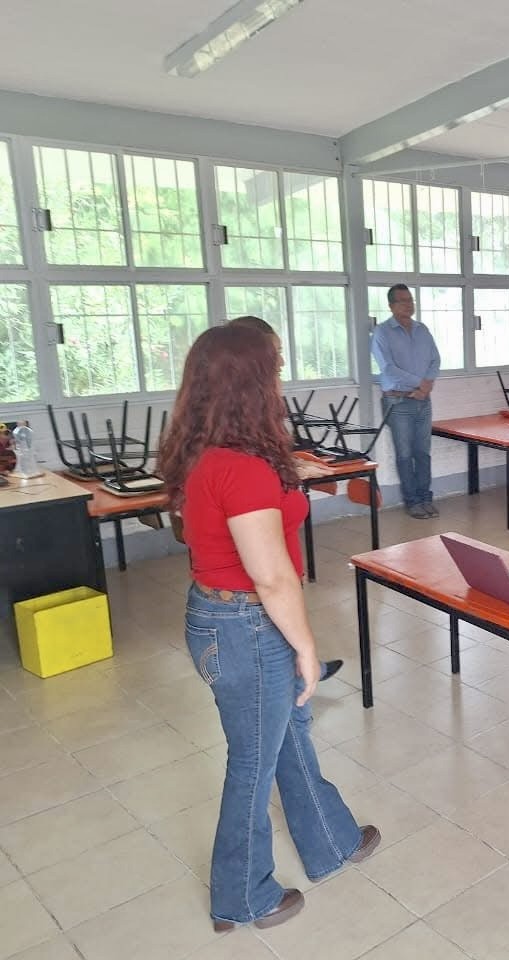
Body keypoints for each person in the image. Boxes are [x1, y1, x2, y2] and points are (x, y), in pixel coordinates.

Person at [158, 324, 380, 932]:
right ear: (252, 383)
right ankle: (241, 896)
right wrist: (306, 649)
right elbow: (272, 578)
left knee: (288, 734)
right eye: (275, 367)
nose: (281, 379)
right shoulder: (242, 467)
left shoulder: (206, 453)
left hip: (219, 618)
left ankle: (331, 839)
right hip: (247, 626)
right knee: (255, 759)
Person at [223, 316, 344, 683]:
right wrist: (306, 648)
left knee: (292, 705)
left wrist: (287, 469)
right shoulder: (238, 459)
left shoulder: (242, 438)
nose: (282, 364)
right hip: (252, 607)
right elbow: (270, 578)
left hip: (267, 602)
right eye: (274, 357)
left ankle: (304, 663)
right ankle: (306, 662)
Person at [371, 284, 440, 519]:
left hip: (423, 401)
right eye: (403, 301)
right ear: (391, 306)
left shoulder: (422, 329)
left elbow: (435, 359)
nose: (409, 305)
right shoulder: (382, 333)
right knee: (404, 454)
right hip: (398, 402)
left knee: (423, 453)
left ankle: (425, 498)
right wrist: (420, 383)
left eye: (411, 300)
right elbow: (388, 368)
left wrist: (426, 385)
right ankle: (412, 501)